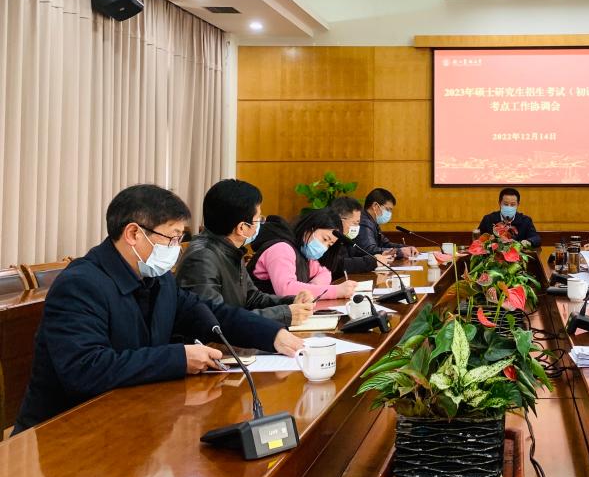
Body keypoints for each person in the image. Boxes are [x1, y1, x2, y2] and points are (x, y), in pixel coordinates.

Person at [13, 185, 305, 432]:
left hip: (132, 418)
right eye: (172, 238)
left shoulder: (158, 279)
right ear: (133, 234)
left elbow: (208, 313)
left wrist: (272, 335)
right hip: (68, 431)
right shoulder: (80, 285)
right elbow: (86, 369)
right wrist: (179, 358)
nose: (176, 248)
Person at [176, 179, 315, 327]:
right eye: (258, 219)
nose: (261, 224)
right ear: (242, 227)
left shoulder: (230, 249)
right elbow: (215, 318)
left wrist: (291, 301)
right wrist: (284, 314)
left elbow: (251, 298)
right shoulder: (202, 258)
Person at [249, 209, 357, 299]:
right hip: (260, 313)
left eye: (329, 244)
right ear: (309, 229)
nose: (324, 247)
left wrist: (311, 288)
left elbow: (325, 272)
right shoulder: (281, 248)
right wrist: (335, 291)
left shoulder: (305, 252)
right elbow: (286, 290)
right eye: (324, 239)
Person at [321, 196, 394, 275]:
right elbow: (338, 265)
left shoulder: (346, 238)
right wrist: (372, 261)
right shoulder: (327, 238)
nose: (357, 227)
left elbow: (354, 255)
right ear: (340, 220)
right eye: (355, 223)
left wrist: (378, 256)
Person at [354, 188, 419, 259]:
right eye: (388, 209)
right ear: (375, 206)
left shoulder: (372, 222)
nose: (389, 213)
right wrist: (399, 252)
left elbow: (385, 244)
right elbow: (369, 250)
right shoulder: (364, 222)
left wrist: (406, 248)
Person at [477, 187, 542, 248]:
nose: (509, 207)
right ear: (499, 203)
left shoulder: (525, 220)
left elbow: (536, 238)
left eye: (512, 204)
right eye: (506, 204)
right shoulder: (488, 219)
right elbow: (477, 239)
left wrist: (528, 242)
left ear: (518, 205)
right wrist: (487, 241)